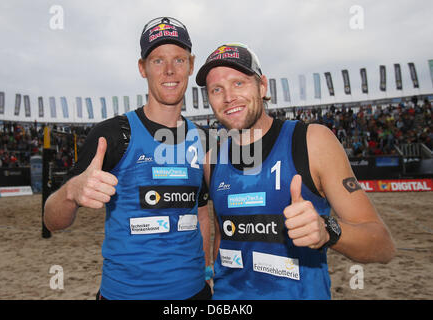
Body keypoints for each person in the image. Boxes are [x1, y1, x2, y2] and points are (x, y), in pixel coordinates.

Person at [195, 43, 396, 299]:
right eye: (216, 89)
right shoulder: (212, 160)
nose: (228, 97)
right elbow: (224, 234)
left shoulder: (312, 141)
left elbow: (382, 245)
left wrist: (328, 230)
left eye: (239, 83)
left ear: (263, 86)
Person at [44, 17, 212, 300]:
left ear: (191, 65)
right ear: (142, 68)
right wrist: (71, 193)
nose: (169, 70)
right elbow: (51, 220)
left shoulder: (203, 139)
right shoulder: (111, 135)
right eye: (158, 60)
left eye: (179, 60)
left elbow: (202, 211)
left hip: (195, 294)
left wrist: (206, 270)